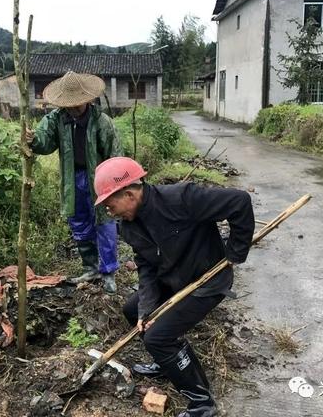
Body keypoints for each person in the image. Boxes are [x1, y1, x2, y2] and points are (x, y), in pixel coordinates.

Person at [93, 156, 255, 417]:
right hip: (171, 279)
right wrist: (146, 309)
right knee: (133, 311)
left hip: (207, 281)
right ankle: (167, 362)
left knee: (159, 337)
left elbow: (240, 202)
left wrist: (234, 255)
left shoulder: (181, 198)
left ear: (130, 194)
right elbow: (146, 268)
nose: (110, 212)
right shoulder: (128, 227)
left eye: (111, 205)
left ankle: (202, 402)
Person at [26, 71, 122, 293]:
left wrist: (117, 184)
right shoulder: (57, 119)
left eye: (77, 104)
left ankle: (108, 271)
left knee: (105, 223)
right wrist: (33, 139)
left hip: (100, 179)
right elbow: (45, 142)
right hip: (73, 179)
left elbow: (115, 155)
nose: (73, 108)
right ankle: (90, 267)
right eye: (69, 105)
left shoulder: (101, 122)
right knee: (79, 222)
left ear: (87, 99)